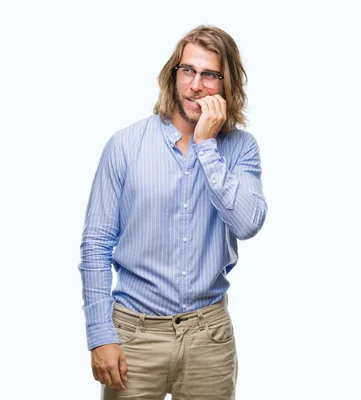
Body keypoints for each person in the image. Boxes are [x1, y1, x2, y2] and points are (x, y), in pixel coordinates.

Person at [78, 24, 267, 399]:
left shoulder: (242, 149)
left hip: (208, 339)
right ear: (173, 75)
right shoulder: (125, 146)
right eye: (188, 71)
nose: (196, 85)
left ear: (226, 84)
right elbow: (96, 243)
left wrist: (206, 147)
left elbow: (248, 223)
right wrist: (100, 334)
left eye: (209, 75)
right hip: (133, 338)